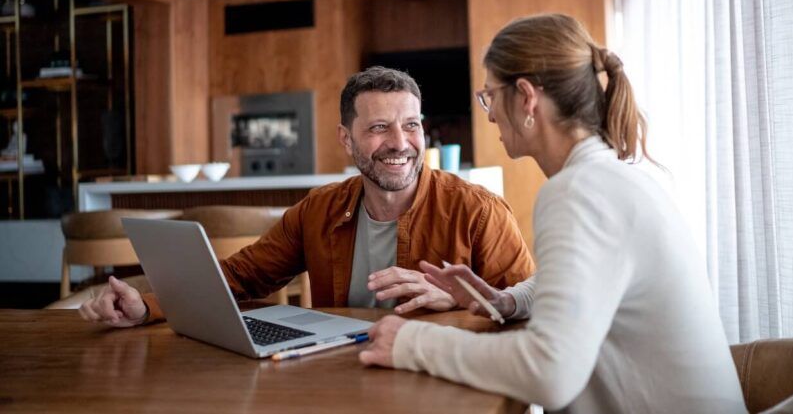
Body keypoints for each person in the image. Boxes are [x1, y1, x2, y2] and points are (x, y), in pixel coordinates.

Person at [359, 15, 746, 413]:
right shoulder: (609, 177)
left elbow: (550, 372)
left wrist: (409, 342)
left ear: (526, 97)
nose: (489, 115)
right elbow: (587, 281)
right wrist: (507, 301)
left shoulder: (578, 191)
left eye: (490, 95)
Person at [79, 67, 534, 327]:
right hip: (340, 377)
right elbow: (240, 278)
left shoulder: (478, 212)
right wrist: (147, 306)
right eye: (379, 127)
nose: (401, 142)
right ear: (346, 137)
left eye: (411, 125)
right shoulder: (318, 210)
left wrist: (458, 299)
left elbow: (532, 310)